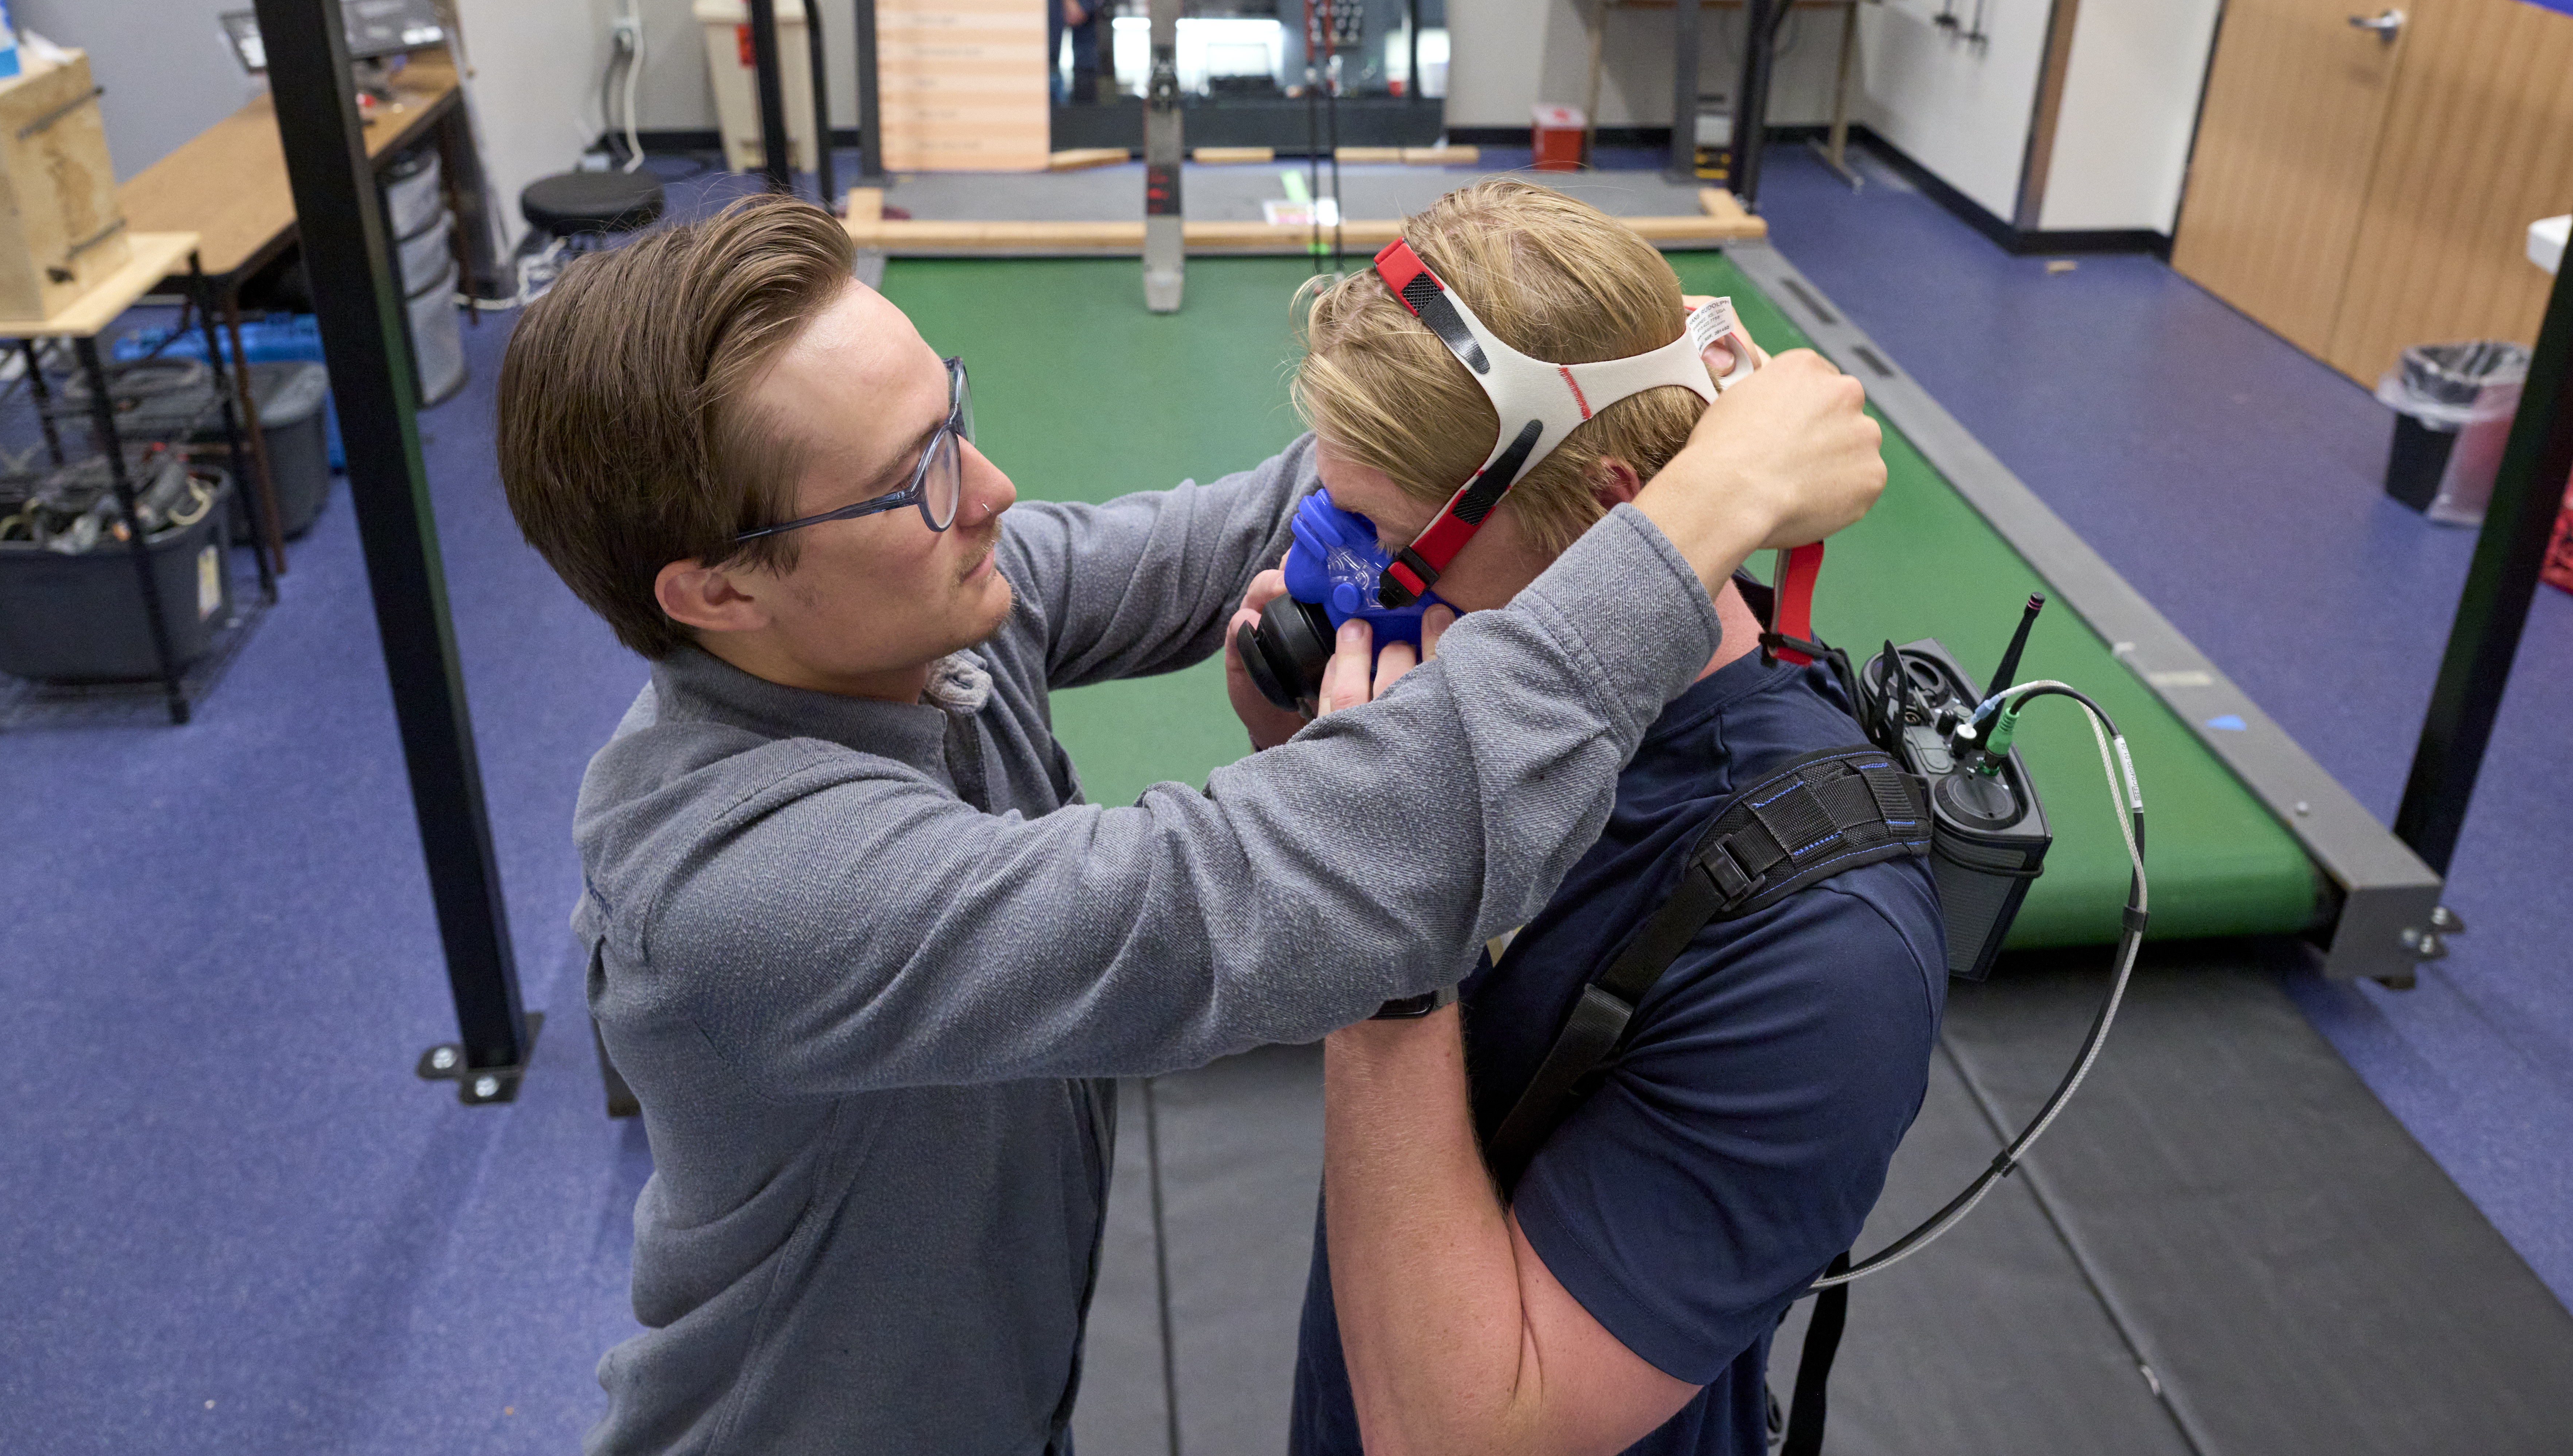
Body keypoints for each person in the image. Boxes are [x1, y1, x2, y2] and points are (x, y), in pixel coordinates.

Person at [490, 192, 1887, 1455]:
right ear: (720, 590)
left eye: (953, 416)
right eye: (919, 476)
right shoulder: (744, 885)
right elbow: (1258, 886)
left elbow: (1290, 513)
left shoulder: (911, 612)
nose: (994, 491)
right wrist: (1704, 510)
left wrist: (1587, 383)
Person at [1241, 181, 1946, 1456]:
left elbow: (1455, 1436)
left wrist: (1380, 917)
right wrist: (1300, 747)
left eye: (1385, 541)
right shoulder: (1472, 705)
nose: (1339, 579)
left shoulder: (1823, 949)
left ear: (1612, 515)